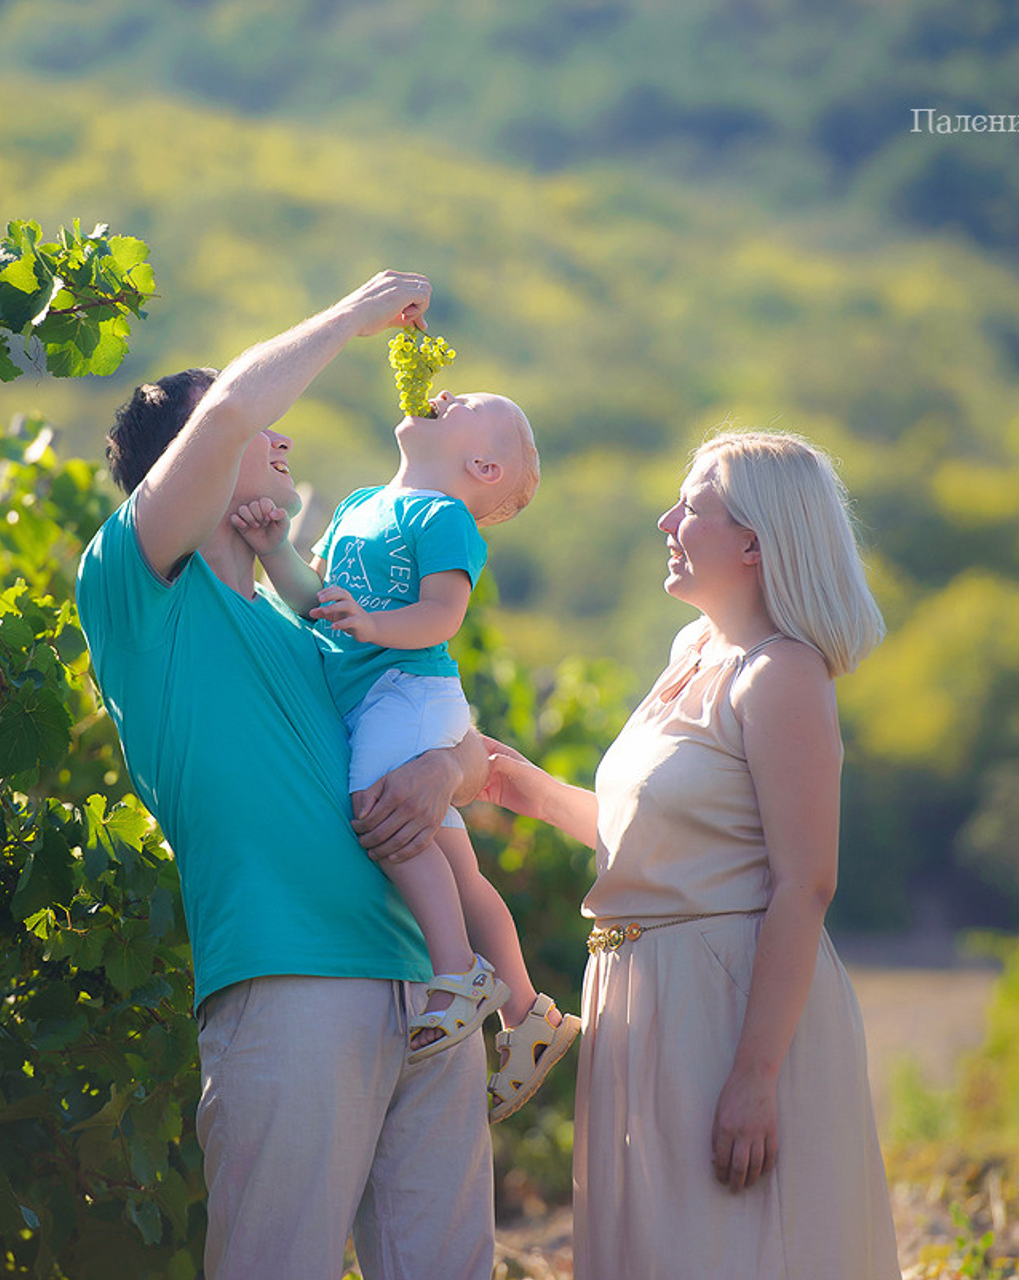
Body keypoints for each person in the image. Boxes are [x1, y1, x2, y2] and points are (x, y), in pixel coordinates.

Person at [75, 272, 497, 1280]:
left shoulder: (309, 624)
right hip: (290, 984)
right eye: (266, 432)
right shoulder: (130, 587)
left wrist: (443, 769)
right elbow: (229, 410)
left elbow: (468, 748)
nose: (283, 440)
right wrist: (354, 316)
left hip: (431, 990)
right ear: (196, 460)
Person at [478, 429, 901, 1279]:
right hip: (642, 1002)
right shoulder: (694, 655)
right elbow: (650, 839)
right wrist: (507, 781)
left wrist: (754, 1078)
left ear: (754, 541)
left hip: (726, 1009)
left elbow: (804, 885)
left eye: (692, 507)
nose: (666, 520)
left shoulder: (780, 674)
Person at [229, 386, 580, 1120]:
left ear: (482, 465)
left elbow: (442, 614)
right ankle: (528, 1011)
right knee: (456, 865)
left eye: (470, 400)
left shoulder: (441, 516)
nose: (444, 389)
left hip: (407, 691)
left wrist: (374, 626)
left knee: (380, 812)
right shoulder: (361, 502)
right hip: (382, 700)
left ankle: (457, 973)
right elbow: (318, 600)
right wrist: (273, 551)